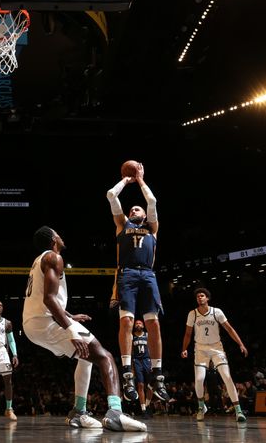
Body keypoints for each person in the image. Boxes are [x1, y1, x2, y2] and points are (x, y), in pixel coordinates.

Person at [22, 226, 147, 432]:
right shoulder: (54, 257)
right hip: (46, 322)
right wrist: (71, 329)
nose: (62, 236)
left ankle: (79, 412)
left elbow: (42, 298)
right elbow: (49, 298)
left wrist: (70, 316)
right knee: (105, 357)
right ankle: (116, 413)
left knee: (85, 358)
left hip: (33, 324)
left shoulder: (39, 260)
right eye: (58, 234)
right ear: (54, 239)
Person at [105, 164, 170, 403]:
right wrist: (125, 180)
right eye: (131, 208)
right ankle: (127, 373)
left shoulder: (152, 228)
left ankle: (158, 374)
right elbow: (111, 195)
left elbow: (151, 200)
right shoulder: (123, 225)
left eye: (137, 208)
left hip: (148, 275)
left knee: (153, 324)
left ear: (144, 215)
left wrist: (141, 180)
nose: (134, 209)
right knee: (127, 321)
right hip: (128, 274)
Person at [180, 287, 248, 422]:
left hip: (216, 348)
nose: (199, 297)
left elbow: (229, 328)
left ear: (207, 298)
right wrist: (184, 348)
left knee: (227, 377)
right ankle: (201, 408)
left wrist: (240, 344)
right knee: (199, 379)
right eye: (198, 296)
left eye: (202, 295)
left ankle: (238, 410)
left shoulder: (216, 312)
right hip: (200, 349)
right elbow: (188, 333)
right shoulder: (192, 314)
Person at [130, 319, 153, 417]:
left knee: (151, 385)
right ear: (134, 326)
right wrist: (131, 368)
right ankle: (143, 409)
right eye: (136, 323)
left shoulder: (147, 335)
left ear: (143, 326)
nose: (138, 325)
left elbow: (151, 349)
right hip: (137, 361)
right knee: (140, 385)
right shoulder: (132, 337)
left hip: (147, 360)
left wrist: (153, 363)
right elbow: (130, 352)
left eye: (140, 323)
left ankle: (147, 405)